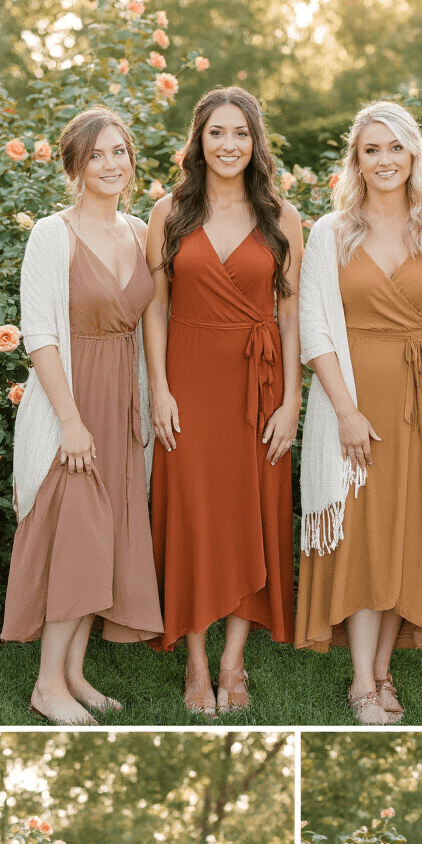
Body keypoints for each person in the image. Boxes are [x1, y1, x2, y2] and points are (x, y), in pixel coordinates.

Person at [295, 102, 422, 724]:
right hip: (352, 402)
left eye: (396, 148)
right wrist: (345, 411)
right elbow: (314, 327)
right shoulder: (330, 233)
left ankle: (384, 673)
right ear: (357, 160)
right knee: (364, 534)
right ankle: (362, 684)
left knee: (406, 529)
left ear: (414, 155)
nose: (385, 160)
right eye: (372, 150)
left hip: (418, 403)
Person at [143, 87, 303, 715]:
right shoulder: (170, 212)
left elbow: (290, 317)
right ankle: (195, 664)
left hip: (258, 387)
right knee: (193, 513)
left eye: (240, 133)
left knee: (250, 513)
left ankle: (234, 662)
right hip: (188, 377)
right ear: (199, 141)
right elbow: (155, 307)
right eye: (217, 133)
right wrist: (159, 388)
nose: (229, 145)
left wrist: (291, 401)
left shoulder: (282, 217)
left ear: (255, 142)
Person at [1, 106, 163, 723]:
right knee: (77, 537)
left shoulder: (138, 232)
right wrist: (69, 421)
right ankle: (46, 684)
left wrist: (150, 402)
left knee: (110, 535)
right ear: (76, 164)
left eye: (119, 151)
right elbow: (39, 334)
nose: (111, 164)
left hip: (123, 403)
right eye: (96, 154)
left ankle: (74, 672)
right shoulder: (52, 233)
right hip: (72, 401)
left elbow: (150, 322)